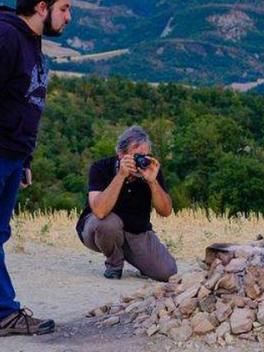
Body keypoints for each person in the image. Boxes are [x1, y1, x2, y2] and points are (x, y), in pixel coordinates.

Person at [0, 0, 71, 336]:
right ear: (42, 7)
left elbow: (25, 104)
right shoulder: (7, 37)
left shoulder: (31, 42)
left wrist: (24, 159)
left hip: (13, 156)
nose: (69, 17)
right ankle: (4, 313)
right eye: (65, 8)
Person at [76, 126, 177, 282]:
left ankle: (136, 258)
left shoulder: (150, 170)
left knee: (168, 272)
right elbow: (100, 211)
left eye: (145, 155)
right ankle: (114, 264)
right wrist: (121, 176)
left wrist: (152, 182)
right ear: (121, 154)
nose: (141, 161)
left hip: (136, 231)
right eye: (137, 156)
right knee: (108, 224)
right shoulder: (100, 168)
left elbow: (166, 211)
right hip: (98, 229)